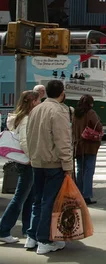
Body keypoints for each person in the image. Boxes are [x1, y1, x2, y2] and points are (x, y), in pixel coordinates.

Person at [26, 80, 72, 254]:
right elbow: (62, 141)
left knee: (37, 201)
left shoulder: (36, 109)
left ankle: (32, 236)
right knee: (49, 202)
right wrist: (67, 165)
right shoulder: (59, 110)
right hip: (53, 163)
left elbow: (29, 135)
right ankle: (44, 240)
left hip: (37, 161)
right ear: (61, 92)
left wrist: (32, 156)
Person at [0, 91, 40, 244]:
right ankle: (3, 229)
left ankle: (27, 229)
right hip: (27, 162)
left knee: (29, 197)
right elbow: (25, 141)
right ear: (32, 102)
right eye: (38, 101)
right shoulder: (26, 120)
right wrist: (31, 158)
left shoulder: (22, 118)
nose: (39, 103)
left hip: (25, 162)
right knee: (20, 198)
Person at [71, 95, 102, 205]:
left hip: (78, 145)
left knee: (80, 170)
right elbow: (98, 127)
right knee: (89, 171)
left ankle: (79, 194)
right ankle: (86, 195)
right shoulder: (91, 113)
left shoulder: (75, 113)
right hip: (90, 145)